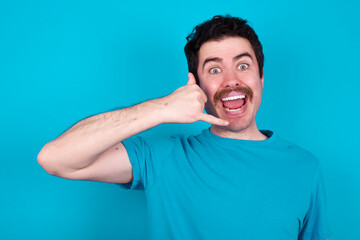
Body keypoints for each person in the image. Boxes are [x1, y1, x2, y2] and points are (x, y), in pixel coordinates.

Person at [38, 15, 331, 239]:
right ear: (197, 85)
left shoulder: (305, 167)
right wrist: (161, 108)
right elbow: (55, 159)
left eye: (243, 65)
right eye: (214, 69)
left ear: (261, 76)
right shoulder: (164, 156)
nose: (231, 80)